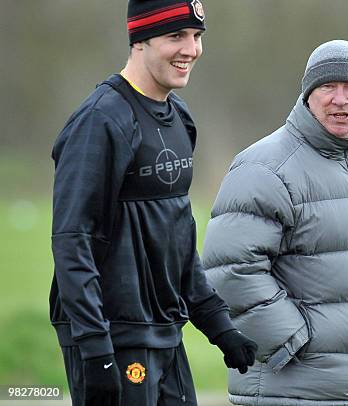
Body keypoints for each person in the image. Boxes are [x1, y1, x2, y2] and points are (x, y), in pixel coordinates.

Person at [50, 1, 257, 405]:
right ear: (139, 41)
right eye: (175, 36)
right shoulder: (100, 122)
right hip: (113, 337)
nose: (191, 49)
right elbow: (72, 241)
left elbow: (177, 237)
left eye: (197, 37)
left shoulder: (179, 117)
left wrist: (219, 325)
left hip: (164, 330)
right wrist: (95, 348)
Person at [200, 40, 348, 405]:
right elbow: (229, 270)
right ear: (308, 94)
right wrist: (292, 341)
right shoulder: (266, 167)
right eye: (328, 87)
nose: (341, 99)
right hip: (289, 391)